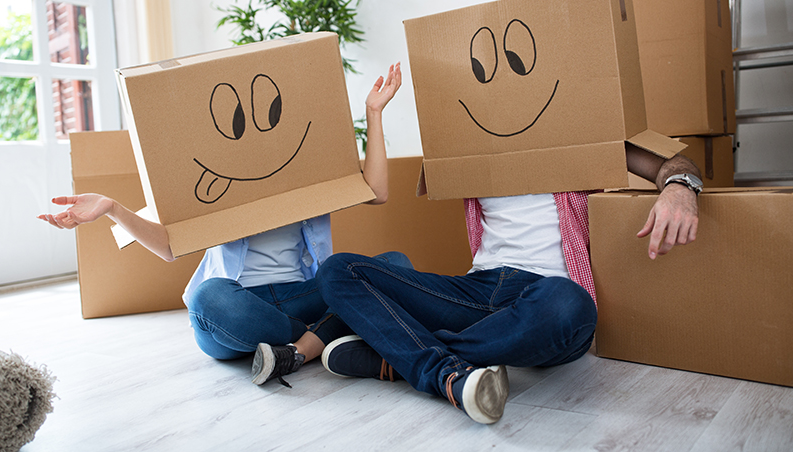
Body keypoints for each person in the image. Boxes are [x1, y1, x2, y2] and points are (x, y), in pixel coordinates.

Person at [38, 63, 408, 388]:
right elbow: (168, 247)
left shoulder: (304, 169)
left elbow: (375, 192)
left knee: (395, 265)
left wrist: (373, 112)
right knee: (206, 296)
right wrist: (112, 208)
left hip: (303, 295)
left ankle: (299, 351)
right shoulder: (215, 182)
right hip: (239, 307)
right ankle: (329, 334)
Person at [315, 145, 702, 424]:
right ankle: (443, 370)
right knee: (338, 270)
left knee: (569, 302)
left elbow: (672, 162)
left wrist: (680, 187)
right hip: (478, 289)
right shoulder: (471, 139)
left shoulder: (583, 134)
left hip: (546, 297)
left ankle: (404, 360)